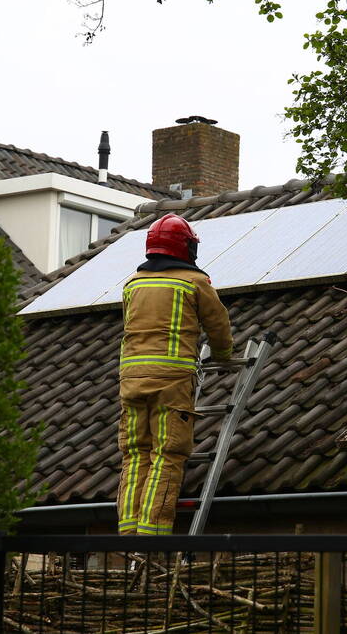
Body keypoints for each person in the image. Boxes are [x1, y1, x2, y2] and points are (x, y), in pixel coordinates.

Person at [116, 214, 233, 535]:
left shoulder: (132, 284)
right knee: (168, 454)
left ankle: (127, 532)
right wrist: (223, 356)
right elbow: (218, 324)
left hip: (131, 382)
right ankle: (151, 536)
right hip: (171, 383)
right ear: (186, 248)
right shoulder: (193, 283)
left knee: (136, 453)